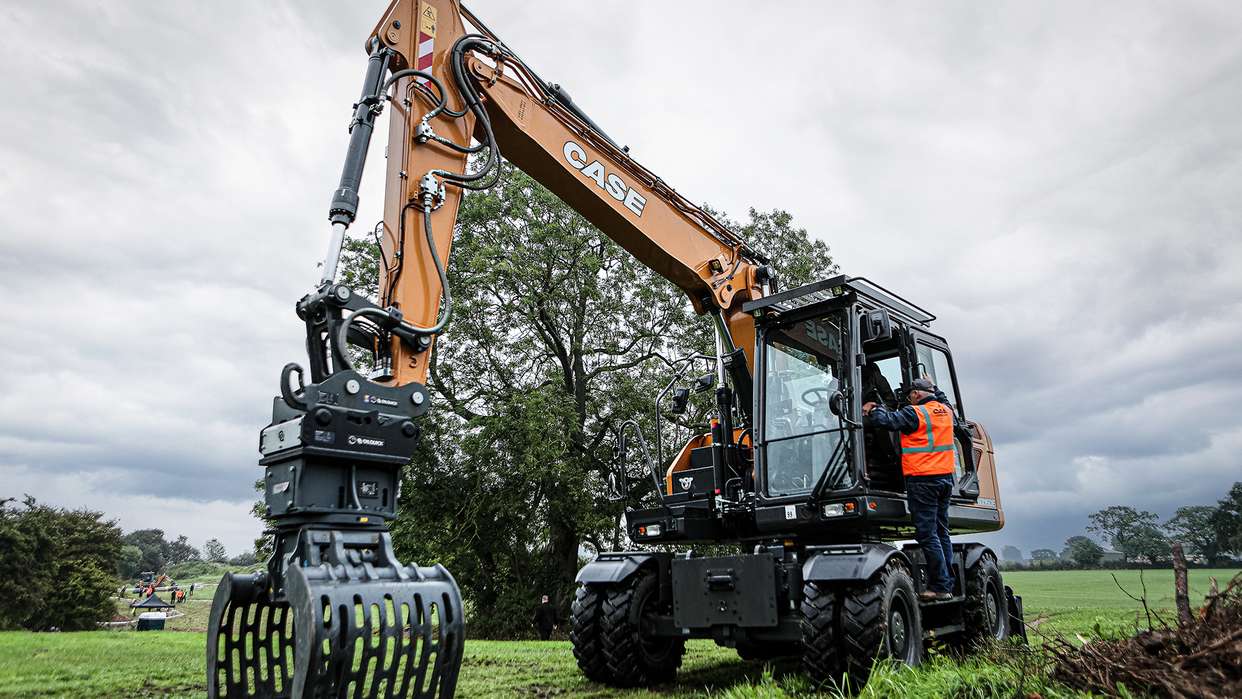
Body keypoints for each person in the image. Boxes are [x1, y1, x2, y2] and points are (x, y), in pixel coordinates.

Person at [863, 376, 957, 602]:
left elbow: (887, 421)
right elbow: (942, 398)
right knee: (941, 532)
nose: (908, 399)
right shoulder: (946, 411)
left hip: (923, 480)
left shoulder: (915, 413)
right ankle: (947, 583)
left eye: (910, 395)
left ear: (916, 394)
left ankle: (941, 586)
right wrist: (934, 385)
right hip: (944, 480)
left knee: (927, 535)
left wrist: (871, 408)